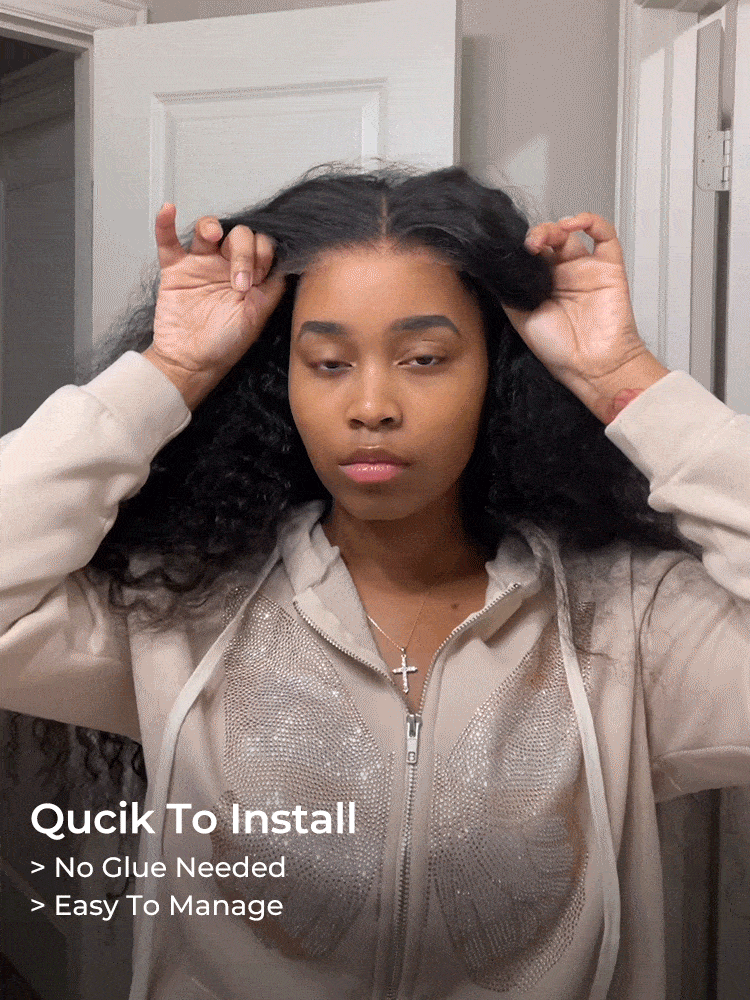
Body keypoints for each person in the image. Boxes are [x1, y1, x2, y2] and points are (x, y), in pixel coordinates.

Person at [1, 163, 749, 1000]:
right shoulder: (178, 615)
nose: (371, 405)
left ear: (495, 376)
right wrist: (171, 369)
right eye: (327, 362)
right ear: (280, 381)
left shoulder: (628, 624)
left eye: (424, 358)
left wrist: (622, 378)